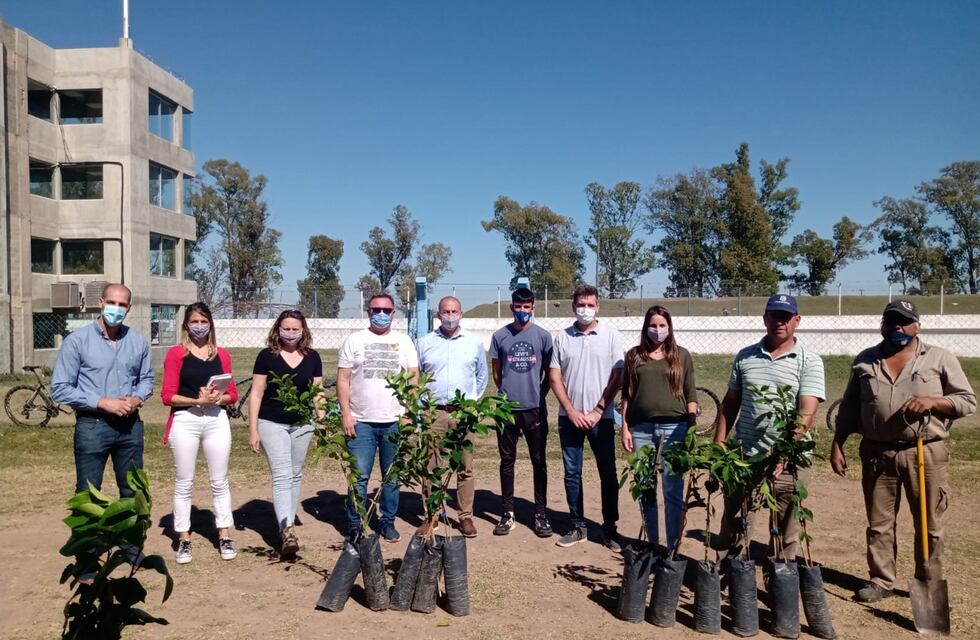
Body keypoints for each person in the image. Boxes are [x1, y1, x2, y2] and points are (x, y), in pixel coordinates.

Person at [831, 300, 976, 603]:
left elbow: (966, 401)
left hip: (924, 453)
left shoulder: (939, 358)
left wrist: (934, 402)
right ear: (882, 325)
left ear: (916, 326)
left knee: (929, 524)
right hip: (876, 454)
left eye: (904, 322)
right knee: (879, 523)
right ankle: (881, 580)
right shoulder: (864, 361)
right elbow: (849, 407)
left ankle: (928, 580)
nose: (897, 327)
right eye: (891, 321)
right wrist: (838, 443)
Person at [714, 293, 825, 561]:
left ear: (797, 320)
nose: (780, 322)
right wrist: (719, 444)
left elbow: (806, 413)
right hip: (745, 457)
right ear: (765, 318)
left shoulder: (809, 360)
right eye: (774, 316)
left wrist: (785, 453)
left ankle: (779, 581)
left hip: (789, 461)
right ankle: (729, 576)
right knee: (736, 522)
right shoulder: (745, 357)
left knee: (784, 528)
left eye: (786, 317)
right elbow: (730, 403)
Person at [52, 283, 153, 498]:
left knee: (135, 492)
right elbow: (60, 388)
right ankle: (87, 534)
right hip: (93, 426)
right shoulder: (77, 341)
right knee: (88, 494)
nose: (116, 308)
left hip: (130, 426)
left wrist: (136, 398)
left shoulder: (138, 342)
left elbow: (146, 379)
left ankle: (130, 533)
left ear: (129, 308)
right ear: (100, 303)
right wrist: (102, 402)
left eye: (121, 304)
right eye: (111, 302)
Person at [337, 293, 419, 543]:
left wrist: (408, 413)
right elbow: (343, 379)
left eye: (386, 310)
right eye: (375, 309)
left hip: (394, 421)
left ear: (394, 313)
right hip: (361, 422)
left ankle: (387, 522)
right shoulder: (355, 340)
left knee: (392, 477)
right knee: (359, 476)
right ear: (368, 311)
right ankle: (355, 524)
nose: (381, 314)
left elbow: (414, 378)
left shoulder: (404, 342)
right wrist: (346, 414)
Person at [161, 302, 238, 564]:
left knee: (220, 481)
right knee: (184, 481)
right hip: (186, 420)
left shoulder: (222, 354)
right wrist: (197, 401)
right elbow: (167, 396)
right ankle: (183, 538)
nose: (200, 327)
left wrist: (219, 398)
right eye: (195, 321)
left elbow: (233, 394)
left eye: (204, 322)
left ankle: (224, 534)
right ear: (186, 324)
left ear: (211, 324)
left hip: (216, 419)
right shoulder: (176, 354)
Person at [549, 284, 624, 551]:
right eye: (581, 304)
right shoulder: (562, 337)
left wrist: (597, 410)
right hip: (569, 418)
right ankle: (577, 525)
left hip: (601, 419)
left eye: (590, 305)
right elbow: (555, 376)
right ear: (573, 306)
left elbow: (618, 375)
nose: (585, 309)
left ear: (598, 306)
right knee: (572, 473)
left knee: (608, 473)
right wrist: (570, 411)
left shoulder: (612, 336)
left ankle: (610, 529)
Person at [620, 305, 697, 553]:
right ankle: (651, 545)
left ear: (669, 327)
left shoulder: (681, 356)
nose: (658, 330)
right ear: (646, 327)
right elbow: (626, 396)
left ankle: (672, 549)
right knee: (645, 488)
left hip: (675, 428)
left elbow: (691, 393)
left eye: (662, 325)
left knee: (672, 489)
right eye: (653, 325)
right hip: (641, 429)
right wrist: (624, 427)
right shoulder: (634, 356)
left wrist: (692, 426)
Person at [248, 309, 323, 560]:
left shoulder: (313, 357)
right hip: (272, 423)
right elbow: (257, 393)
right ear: (277, 329)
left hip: (303, 424)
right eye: (286, 328)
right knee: (282, 475)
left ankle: (288, 523)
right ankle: (286, 530)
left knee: (295, 473)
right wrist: (253, 429)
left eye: (295, 328)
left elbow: (317, 393)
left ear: (303, 330)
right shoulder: (266, 357)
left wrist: (322, 422)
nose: (290, 333)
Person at [416, 296, 489, 537]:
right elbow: (416, 377)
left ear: (461, 313)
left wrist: (471, 404)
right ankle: (433, 515)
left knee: (465, 466)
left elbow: (481, 377)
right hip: (433, 412)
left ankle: (465, 516)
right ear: (438, 315)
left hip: (463, 412)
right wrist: (421, 408)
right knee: (431, 465)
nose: (450, 315)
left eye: (454, 311)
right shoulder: (424, 343)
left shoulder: (474, 343)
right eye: (445, 311)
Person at [490, 287, 554, 537]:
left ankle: (540, 514)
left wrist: (539, 394)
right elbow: (497, 371)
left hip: (535, 409)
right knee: (507, 461)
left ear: (533, 308)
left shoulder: (543, 336)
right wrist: (507, 393)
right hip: (507, 411)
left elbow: (550, 372)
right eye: (518, 306)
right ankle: (508, 514)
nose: (522, 311)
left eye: (527, 307)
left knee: (539, 461)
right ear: (512, 307)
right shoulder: (500, 336)